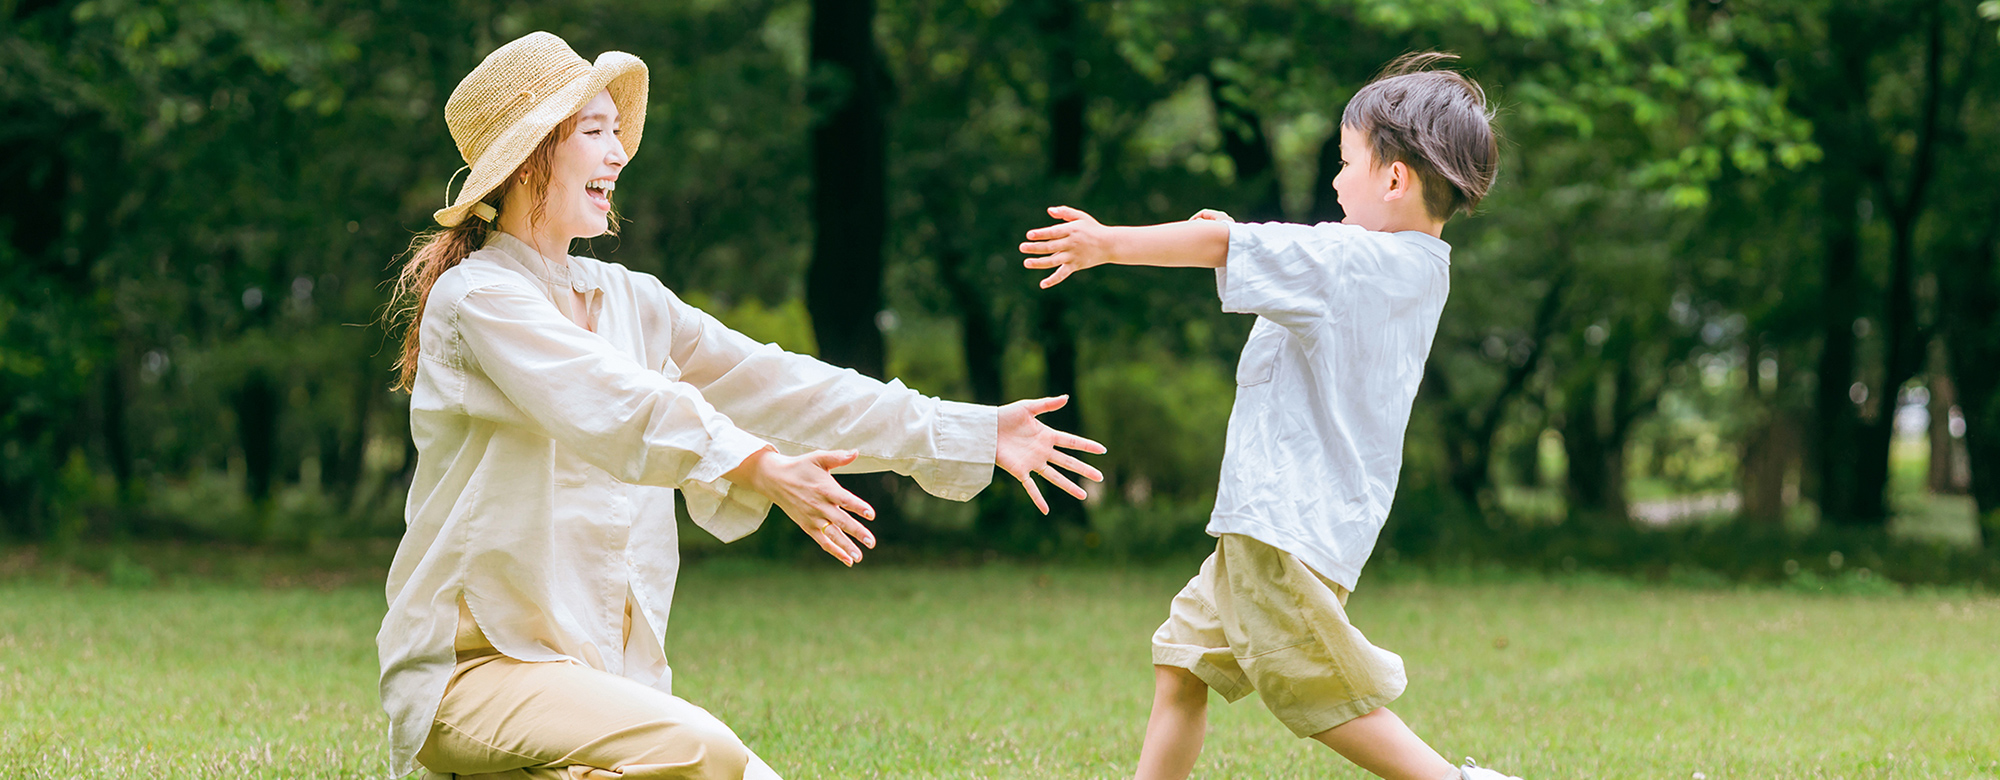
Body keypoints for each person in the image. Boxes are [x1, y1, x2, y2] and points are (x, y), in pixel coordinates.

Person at [379, 32, 1103, 780]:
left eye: (616, 130)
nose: (619, 151)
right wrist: (756, 466)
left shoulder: (631, 300)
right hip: (474, 677)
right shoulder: (480, 299)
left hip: (599, 687)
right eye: (593, 133)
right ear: (532, 161)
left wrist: (970, 430)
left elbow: (781, 384)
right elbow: (616, 402)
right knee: (706, 751)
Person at [1019, 53, 1519, 780]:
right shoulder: (1412, 268)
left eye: (1347, 162)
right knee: (1183, 667)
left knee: (1318, 694)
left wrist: (1107, 243)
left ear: (1394, 178)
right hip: (1286, 521)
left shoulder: (1352, 260)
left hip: (1280, 523)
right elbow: (1281, 271)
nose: (1338, 181)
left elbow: (1241, 249)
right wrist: (1237, 239)